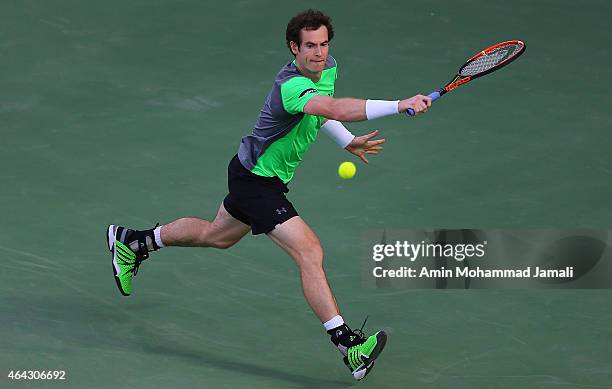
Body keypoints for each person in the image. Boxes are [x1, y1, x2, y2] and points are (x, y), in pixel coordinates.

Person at [105, 9, 431, 380]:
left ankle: (134, 242)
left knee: (217, 235)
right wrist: (399, 104)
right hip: (256, 181)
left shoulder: (327, 69)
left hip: (257, 176)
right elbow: (334, 107)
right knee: (310, 252)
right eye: (310, 46)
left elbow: (322, 114)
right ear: (294, 47)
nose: (319, 53)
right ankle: (348, 346)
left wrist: (347, 141)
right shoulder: (291, 85)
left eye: (324, 44)